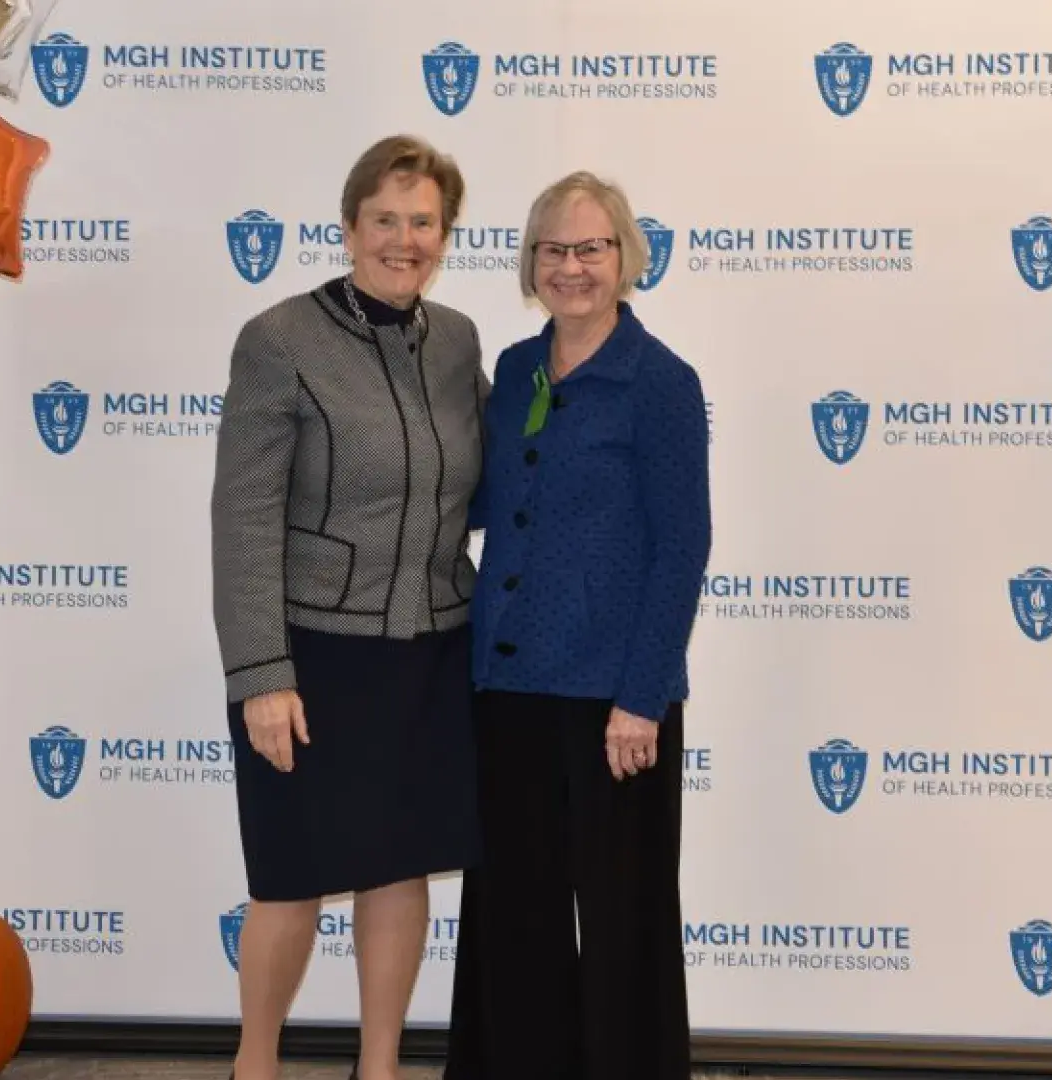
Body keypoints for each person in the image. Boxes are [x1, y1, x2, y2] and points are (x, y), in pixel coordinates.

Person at [211, 134, 487, 1080]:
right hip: (311, 659)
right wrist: (260, 676)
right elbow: (243, 516)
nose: (403, 240)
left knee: (398, 865)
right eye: (385, 219)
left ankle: (381, 1068)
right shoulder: (279, 338)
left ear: (444, 235)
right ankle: (256, 1063)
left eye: (423, 222)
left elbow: (485, 481)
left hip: (430, 650)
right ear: (349, 226)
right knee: (289, 878)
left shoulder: (457, 341)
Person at [444, 171, 712, 1080]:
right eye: (554, 250)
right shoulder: (518, 368)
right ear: (531, 264)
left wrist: (641, 701)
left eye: (591, 247)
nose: (572, 267)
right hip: (507, 683)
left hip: (613, 699)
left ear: (625, 257)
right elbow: (486, 498)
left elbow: (682, 549)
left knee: (625, 918)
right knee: (510, 913)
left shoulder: (662, 384)